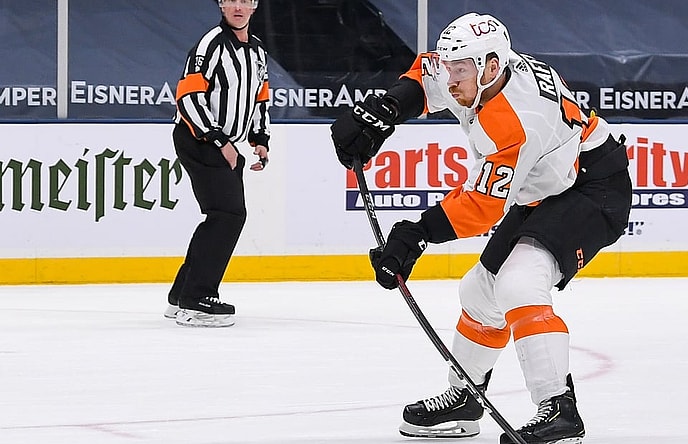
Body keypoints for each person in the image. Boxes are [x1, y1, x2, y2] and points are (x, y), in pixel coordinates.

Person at [330, 12, 631, 444]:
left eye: (460, 70)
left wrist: (417, 233)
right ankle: (466, 398)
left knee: (519, 282)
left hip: (593, 186)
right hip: (547, 186)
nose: (450, 80)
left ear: (490, 68)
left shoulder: (516, 118)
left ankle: (560, 411)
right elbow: (425, 75)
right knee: (480, 291)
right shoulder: (480, 70)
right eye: (451, 68)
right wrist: (387, 110)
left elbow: (483, 206)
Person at [164, 0, 271, 328]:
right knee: (228, 214)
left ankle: (182, 294)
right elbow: (187, 97)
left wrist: (260, 139)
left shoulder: (257, 51)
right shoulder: (210, 45)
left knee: (224, 215)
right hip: (199, 139)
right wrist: (219, 141)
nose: (238, 6)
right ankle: (196, 299)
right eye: (230, 0)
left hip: (225, 144)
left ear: (254, 6)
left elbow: (260, 97)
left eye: (245, 0)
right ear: (221, 5)